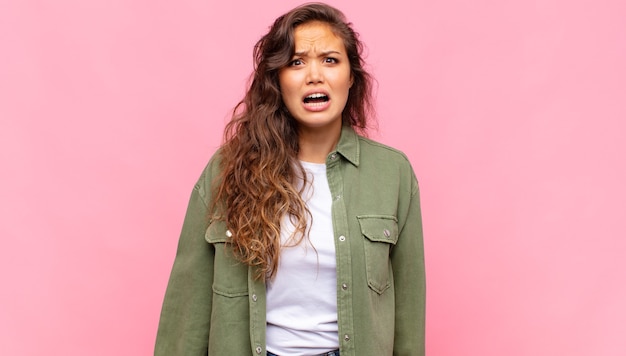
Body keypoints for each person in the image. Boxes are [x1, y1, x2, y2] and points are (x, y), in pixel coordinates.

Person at [154, 3, 425, 356]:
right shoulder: (227, 169)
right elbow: (186, 313)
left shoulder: (392, 174)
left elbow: (408, 316)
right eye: (296, 62)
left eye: (330, 60)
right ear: (277, 79)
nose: (315, 75)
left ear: (351, 75)